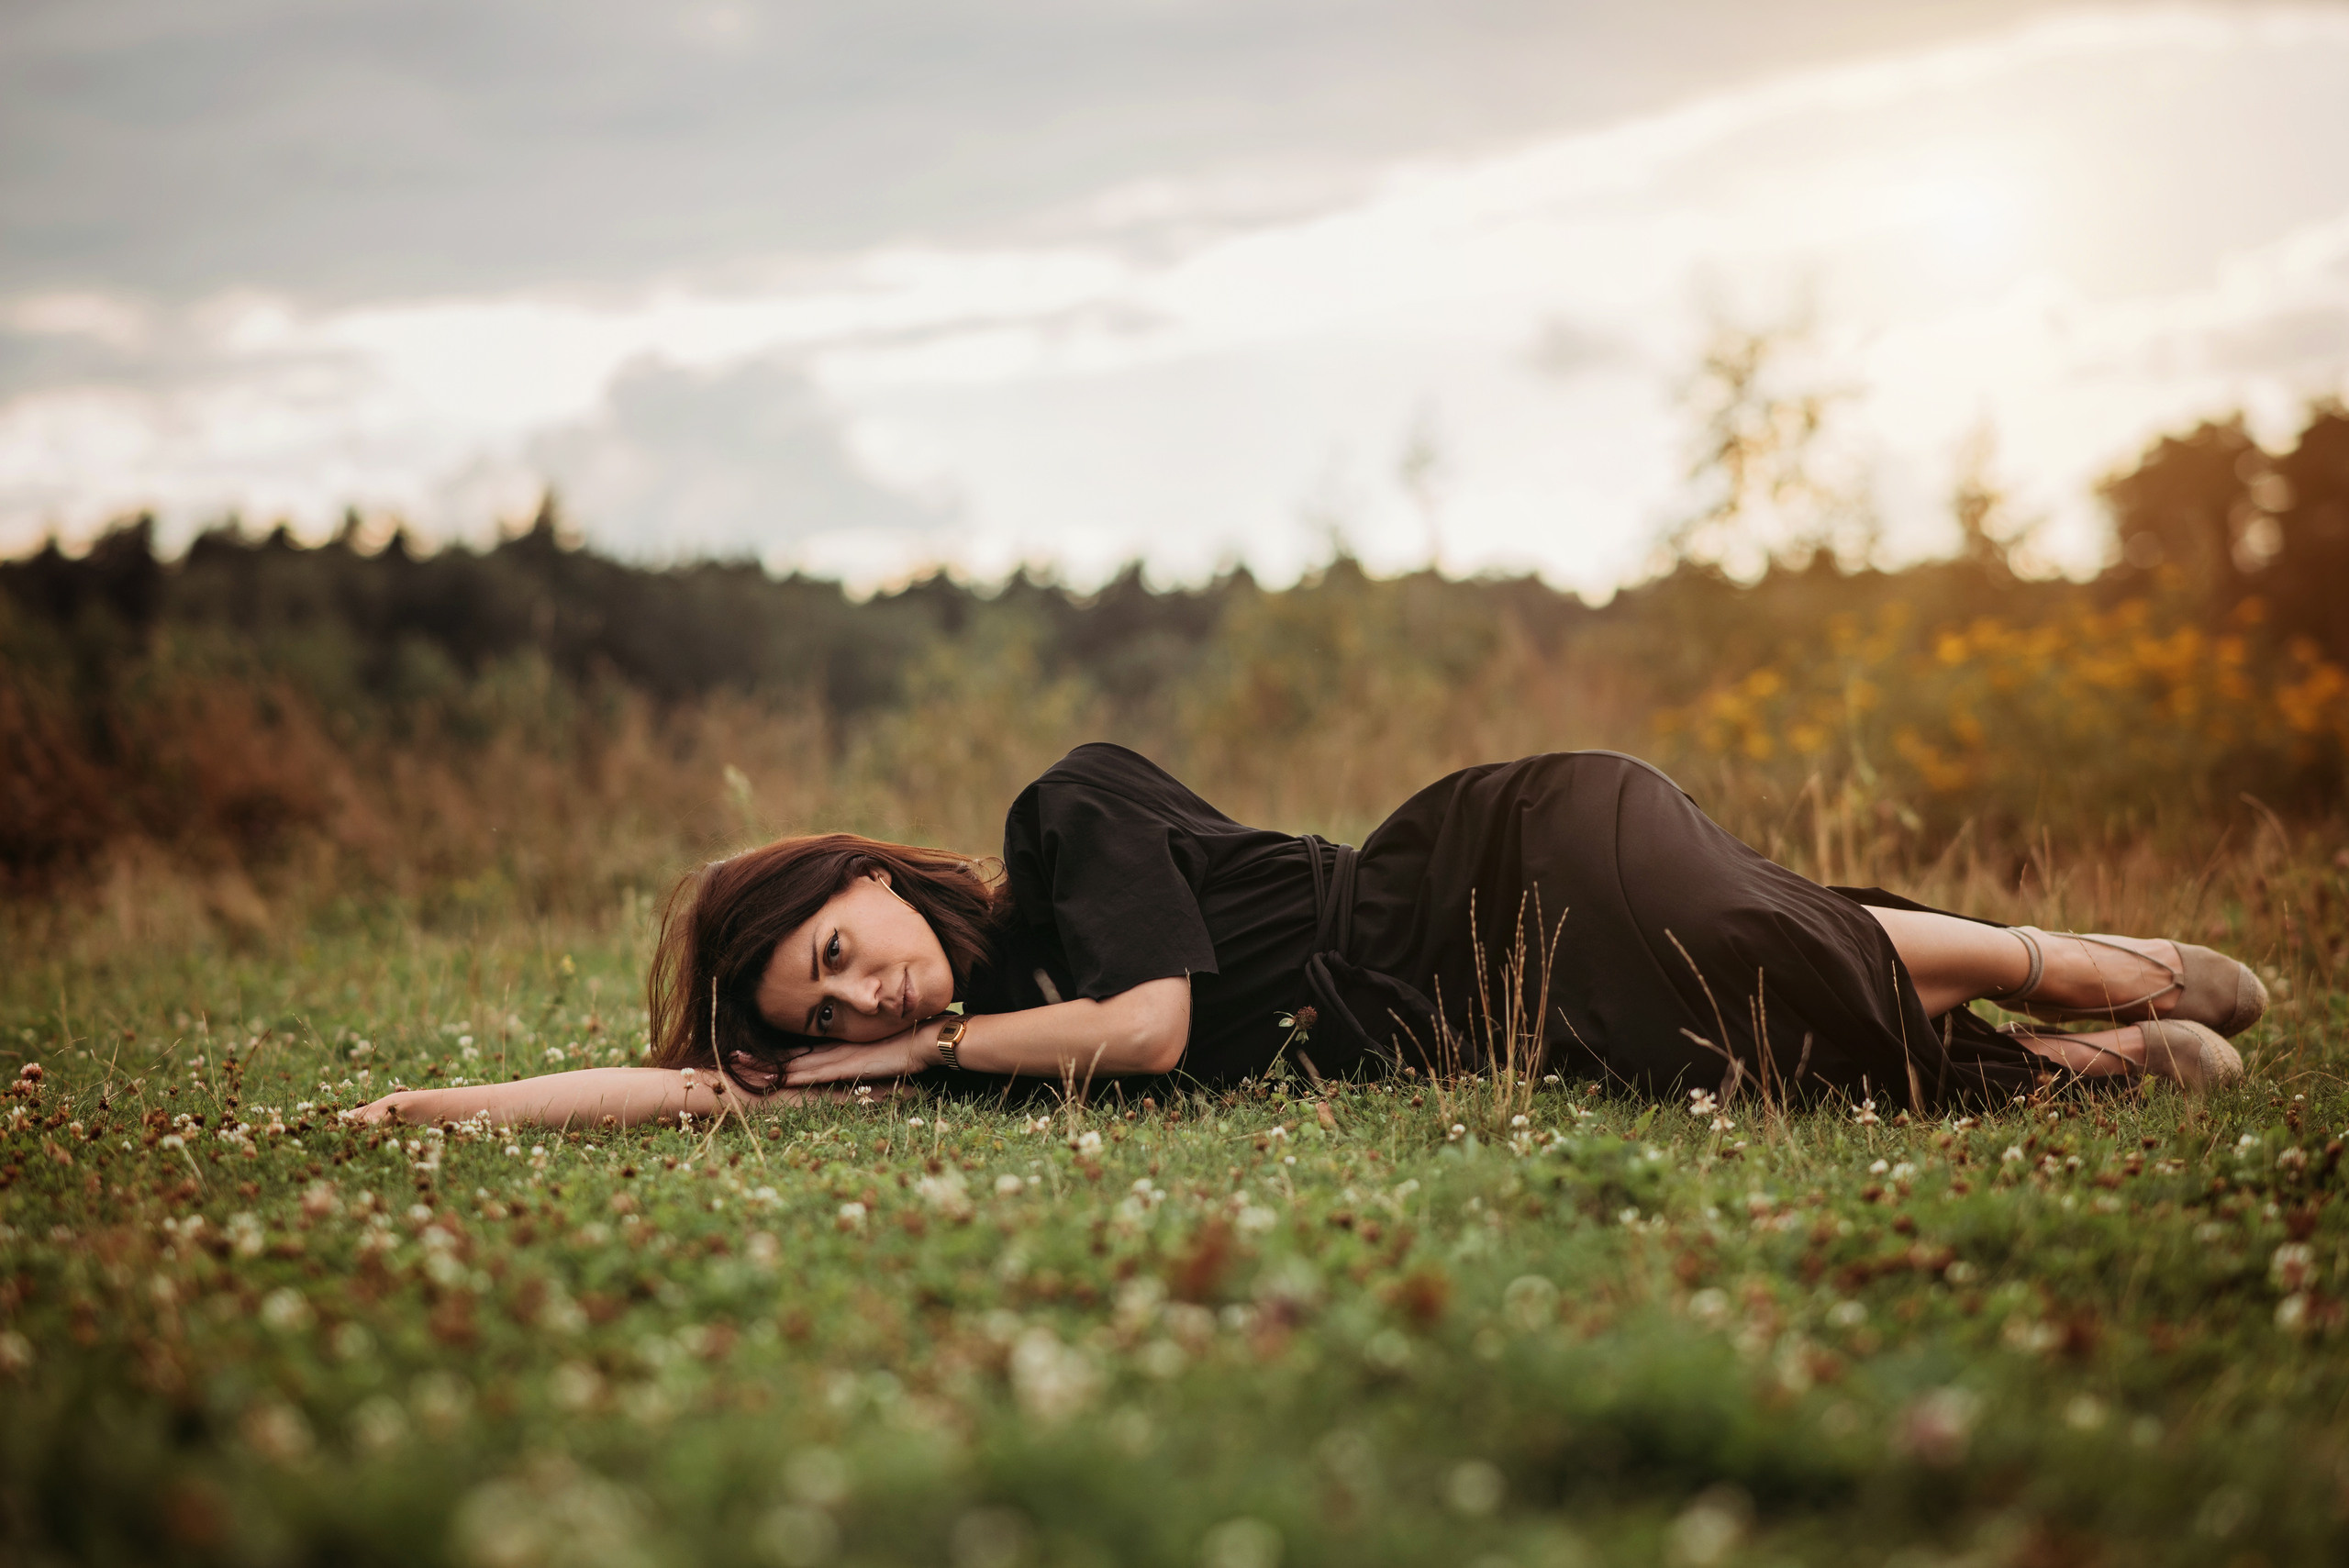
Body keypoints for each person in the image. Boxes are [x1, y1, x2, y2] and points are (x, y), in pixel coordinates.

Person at [353, 744, 2259, 1129]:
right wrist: (439, 1107)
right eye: (823, 1002)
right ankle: (2057, 1071)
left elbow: (1164, 1021)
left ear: (876, 878)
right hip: (1478, 1024)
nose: (862, 991)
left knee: (1695, 929)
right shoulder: (986, 1048)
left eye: (841, 946)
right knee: (1706, 1045)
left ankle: (2059, 968)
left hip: (1493, 860)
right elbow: (697, 1091)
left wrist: (918, 1055)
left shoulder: (1063, 820)